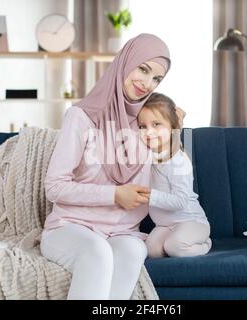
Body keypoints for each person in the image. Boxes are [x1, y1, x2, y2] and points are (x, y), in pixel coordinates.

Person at [40, 34, 182, 300]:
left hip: (123, 231)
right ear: (125, 62)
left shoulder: (147, 125)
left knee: (132, 252)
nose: (147, 83)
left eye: (156, 79)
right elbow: (54, 187)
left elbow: (174, 182)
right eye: (143, 69)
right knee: (97, 253)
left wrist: (174, 132)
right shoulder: (81, 117)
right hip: (70, 227)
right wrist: (114, 194)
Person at [137, 92, 212, 258]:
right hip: (165, 225)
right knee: (153, 252)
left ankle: (205, 244)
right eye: (142, 126)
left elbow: (180, 201)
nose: (148, 132)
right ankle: (175, 243)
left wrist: (150, 196)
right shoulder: (148, 154)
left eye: (156, 124)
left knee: (174, 247)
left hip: (191, 221)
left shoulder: (178, 159)